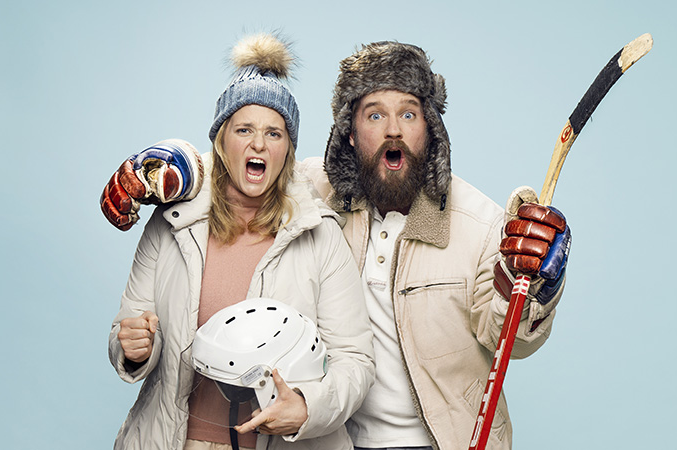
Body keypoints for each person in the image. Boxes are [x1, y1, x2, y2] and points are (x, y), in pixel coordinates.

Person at [102, 40, 571, 450]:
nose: (393, 130)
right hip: (341, 438)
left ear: (430, 129)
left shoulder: (479, 222)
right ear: (350, 132)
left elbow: (507, 335)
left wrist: (536, 287)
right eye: (374, 115)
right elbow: (241, 161)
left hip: (439, 439)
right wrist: (174, 164)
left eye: (409, 113)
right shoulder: (314, 194)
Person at [105, 33, 374, 450]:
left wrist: (305, 406)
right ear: (221, 141)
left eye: (274, 133)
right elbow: (130, 326)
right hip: (171, 441)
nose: (258, 144)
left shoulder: (321, 236)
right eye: (244, 128)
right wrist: (134, 347)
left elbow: (354, 362)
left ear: (287, 149)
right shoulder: (172, 224)